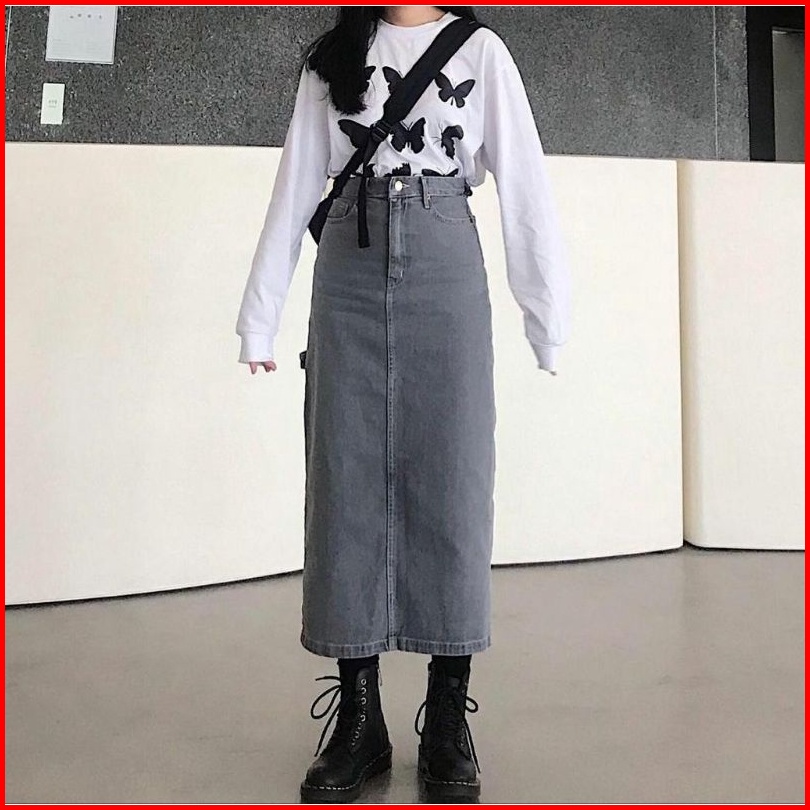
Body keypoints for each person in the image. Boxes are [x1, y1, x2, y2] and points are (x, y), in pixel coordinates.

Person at [235, 5, 571, 802]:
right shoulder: (335, 57)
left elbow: (524, 184)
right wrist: (259, 316)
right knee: (344, 480)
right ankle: (360, 722)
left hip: (444, 247)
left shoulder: (481, 52)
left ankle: (446, 716)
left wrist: (546, 319)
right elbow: (297, 181)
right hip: (348, 265)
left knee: (453, 479)